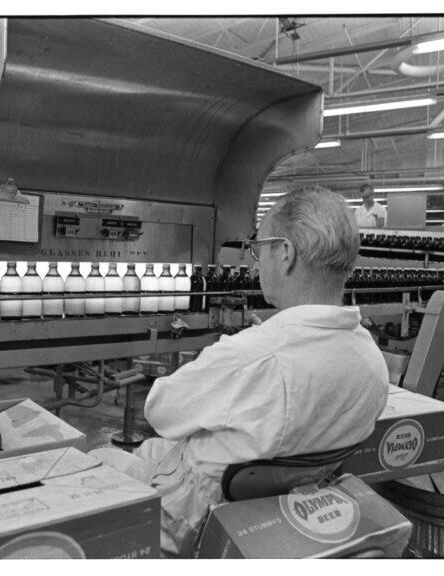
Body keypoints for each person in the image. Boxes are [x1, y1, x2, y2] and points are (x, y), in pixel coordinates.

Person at [90, 186, 389, 557]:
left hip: (192, 518)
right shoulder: (370, 359)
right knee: (152, 449)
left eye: (259, 249)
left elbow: (160, 410)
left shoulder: (256, 355)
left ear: (285, 253)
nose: (256, 262)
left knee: (98, 459)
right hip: (279, 508)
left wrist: (224, 360)